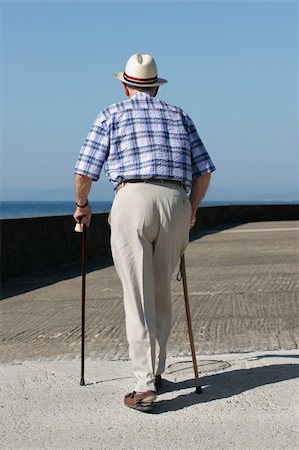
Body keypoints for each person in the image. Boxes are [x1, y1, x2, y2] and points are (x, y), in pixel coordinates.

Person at [73, 53, 215, 412]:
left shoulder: (111, 114)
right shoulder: (179, 114)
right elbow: (205, 171)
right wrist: (191, 211)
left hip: (132, 197)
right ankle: (156, 370)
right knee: (161, 290)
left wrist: (82, 205)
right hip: (174, 200)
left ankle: (144, 386)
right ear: (154, 86)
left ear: (125, 85)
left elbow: (85, 171)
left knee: (137, 294)